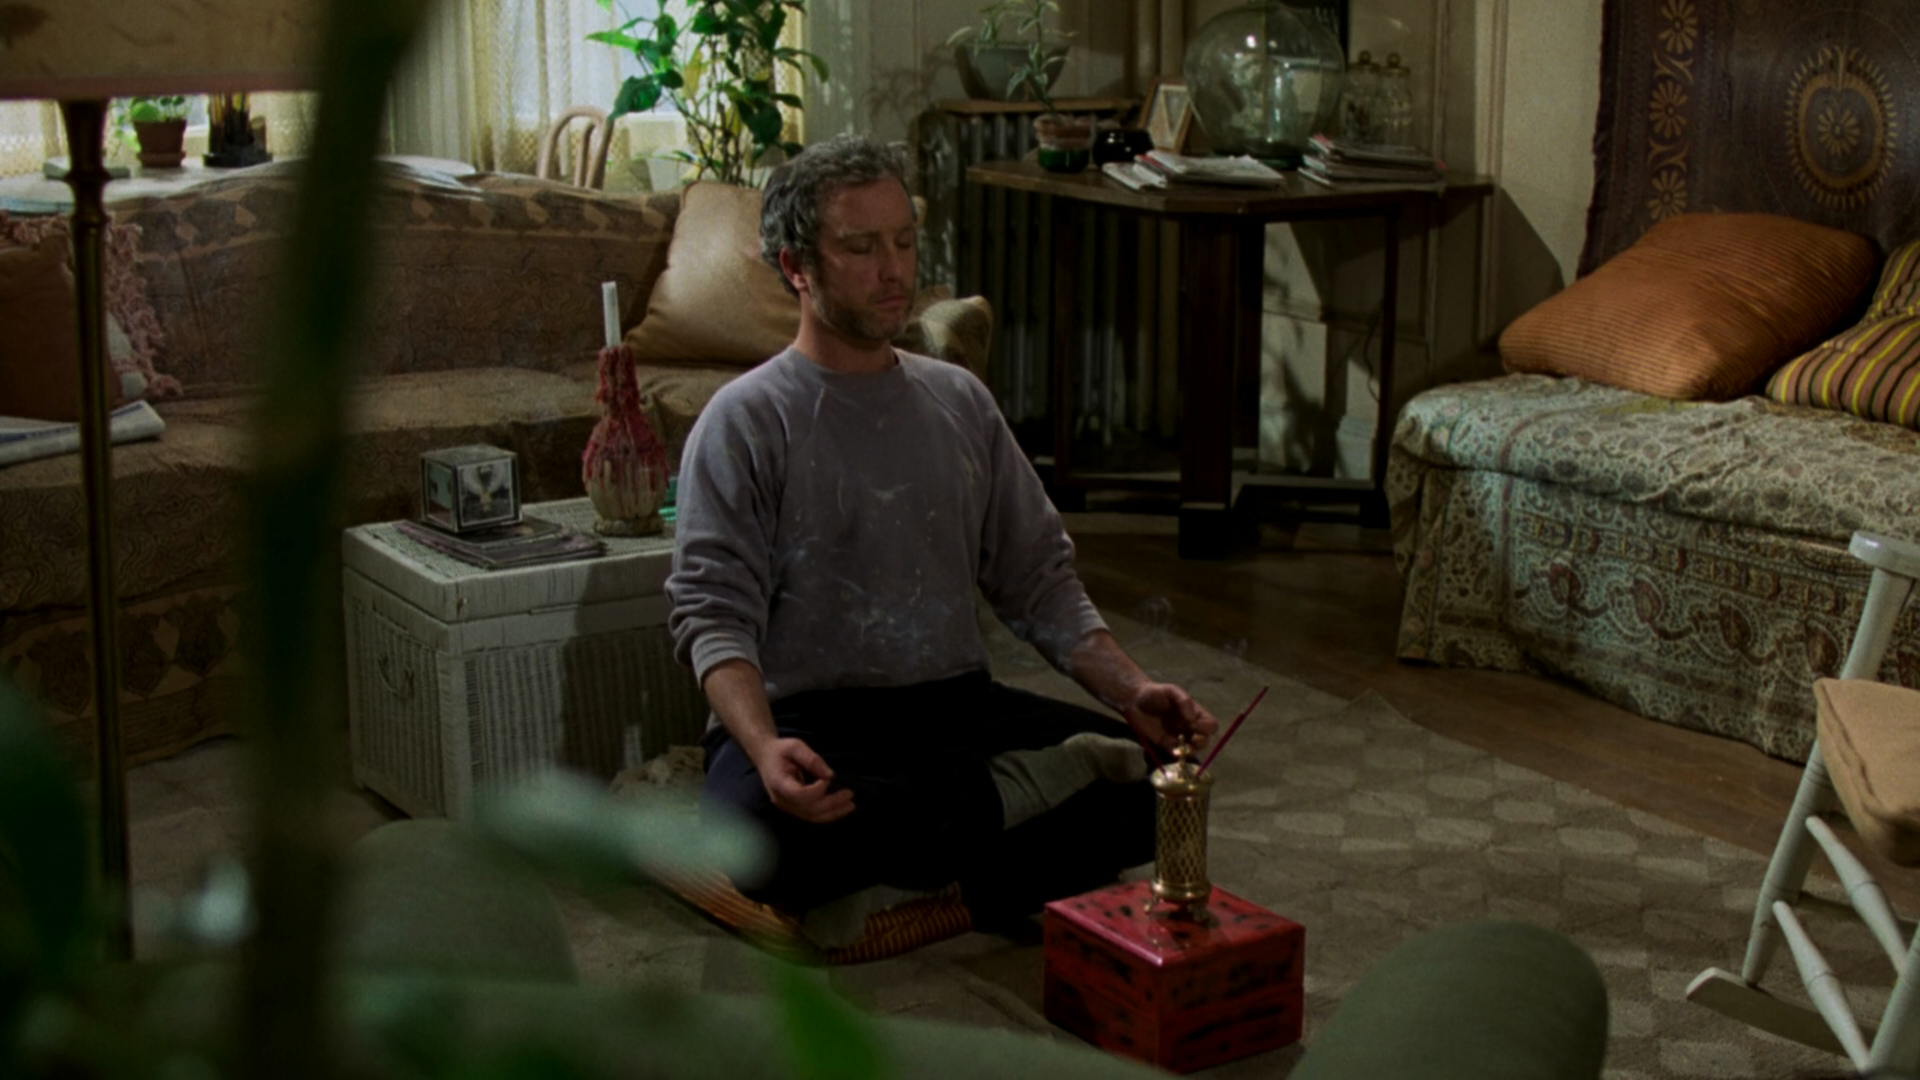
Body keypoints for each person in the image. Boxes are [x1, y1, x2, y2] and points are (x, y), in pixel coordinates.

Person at [665, 134, 1218, 938]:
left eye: (903, 241)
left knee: (1160, 788)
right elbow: (713, 615)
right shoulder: (744, 420)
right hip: (810, 722)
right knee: (758, 839)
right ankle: (993, 834)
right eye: (861, 247)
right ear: (796, 266)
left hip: (953, 712)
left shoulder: (959, 400)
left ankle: (919, 861)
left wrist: (1133, 692)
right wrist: (761, 747)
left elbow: (1038, 579)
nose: (894, 270)